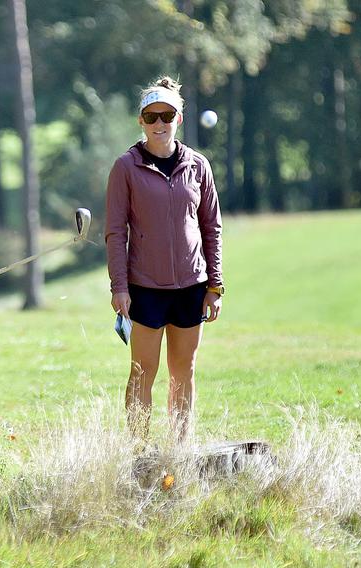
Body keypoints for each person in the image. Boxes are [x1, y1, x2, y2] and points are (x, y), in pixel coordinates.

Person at [104, 76, 224, 443]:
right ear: (140, 120)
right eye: (151, 116)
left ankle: (179, 451)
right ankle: (139, 453)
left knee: (183, 372)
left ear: (179, 119)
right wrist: (119, 287)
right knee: (142, 372)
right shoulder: (126, 167)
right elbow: (115, 232)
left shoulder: (198, 166)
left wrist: (215, 284)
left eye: (167, 115)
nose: (159, 123)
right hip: (145, 289)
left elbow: (211, 227)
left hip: (192, 285)